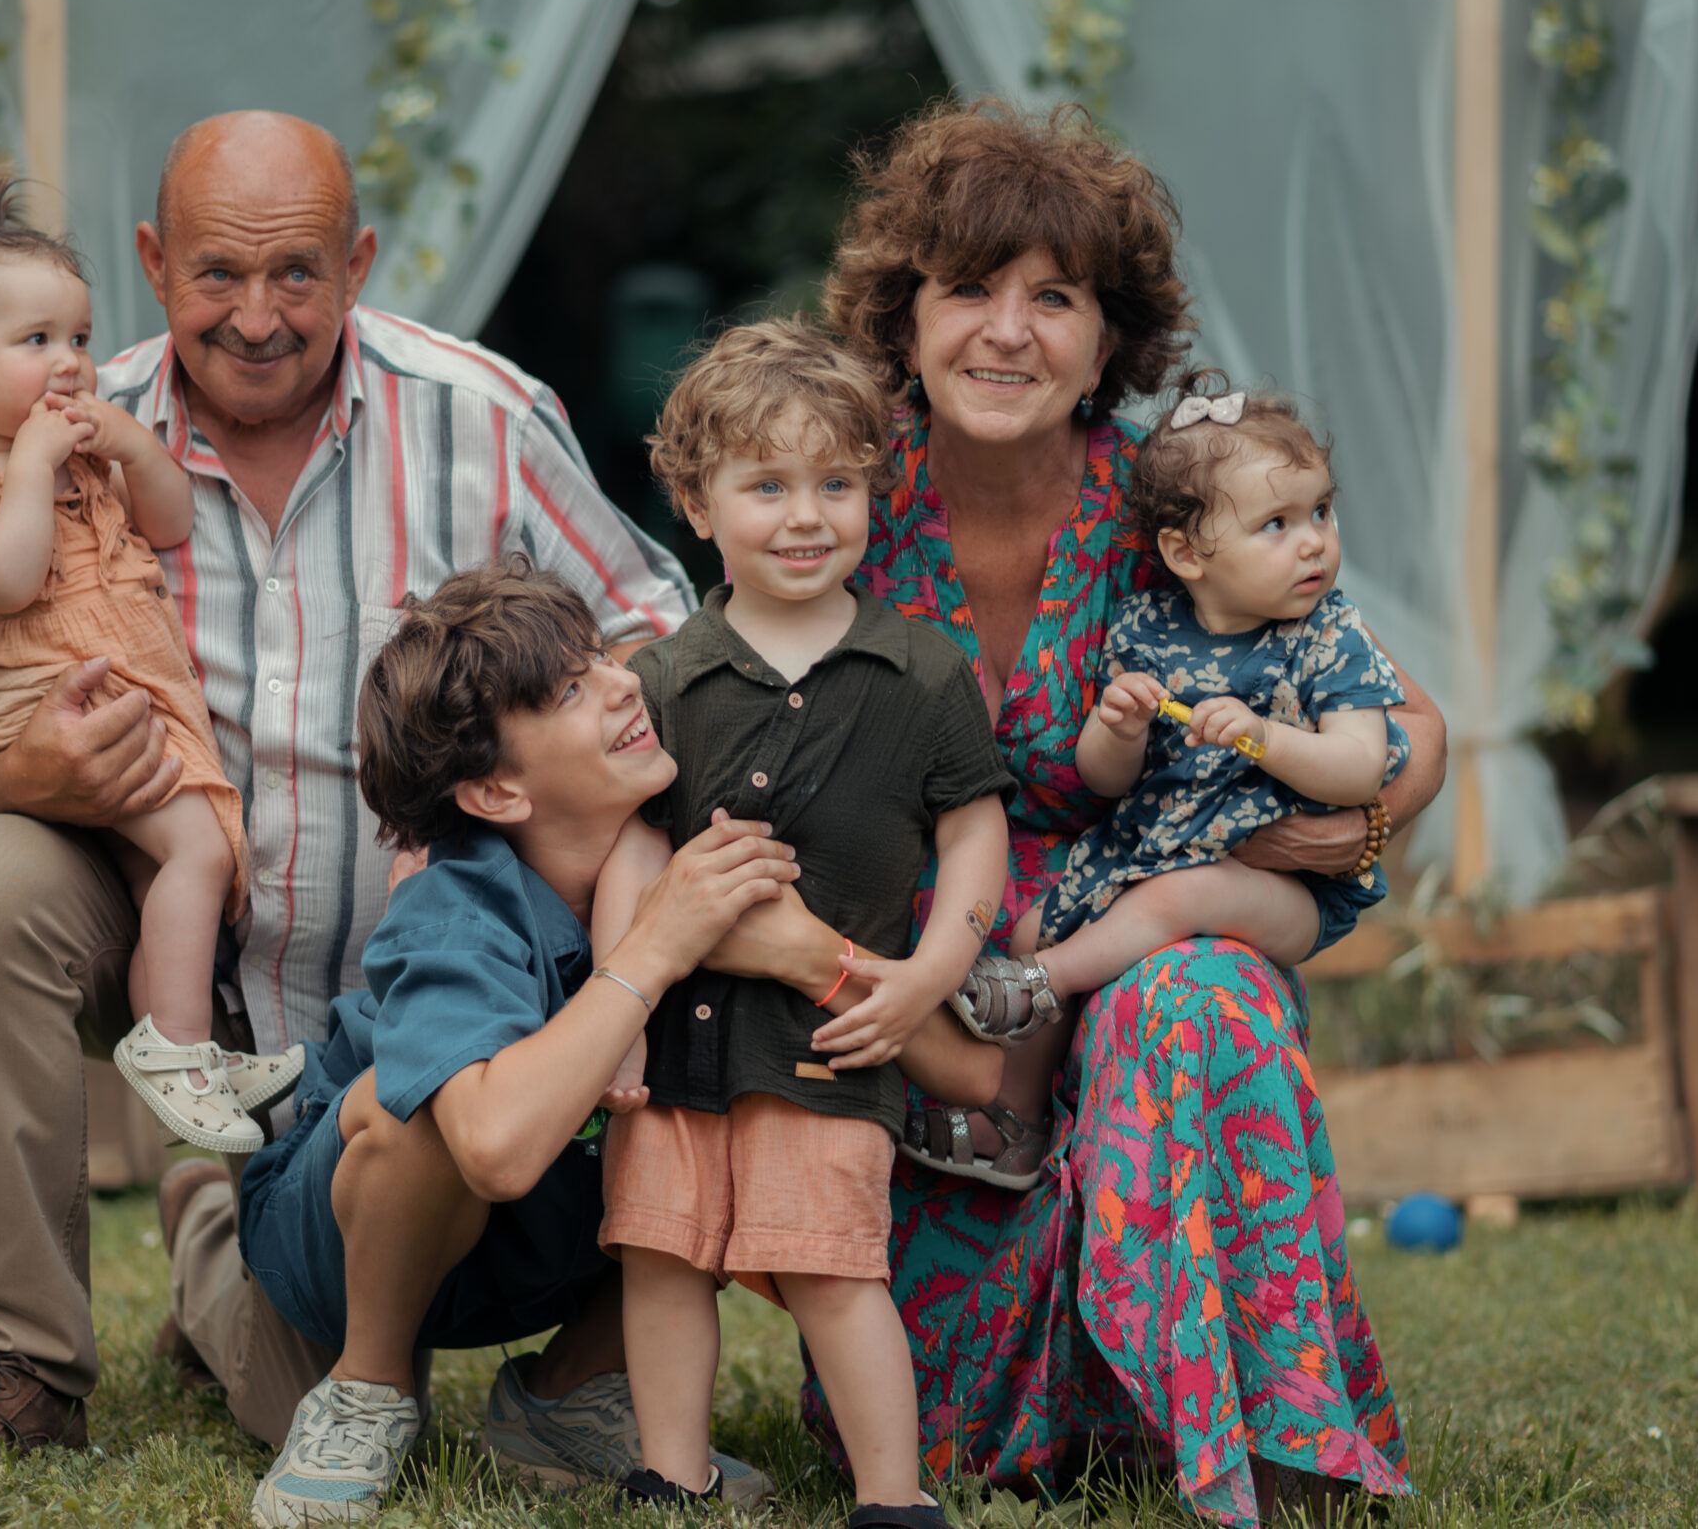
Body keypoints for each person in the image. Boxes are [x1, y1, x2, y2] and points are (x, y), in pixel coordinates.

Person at [0, 111, 700, 1471]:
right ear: (153, 262)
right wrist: (30, 767)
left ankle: (248, 1237)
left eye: (297, 275)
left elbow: (659, 644)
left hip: (449, 980)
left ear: (360, 261)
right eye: (218, 274)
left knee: (294, 1381)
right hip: (180, 960)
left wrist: (566, 841)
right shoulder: (57, 417)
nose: (258, 316)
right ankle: (23, 1355)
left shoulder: (483, 418)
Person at [710, 101, 1448, 1522]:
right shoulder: (833, 493)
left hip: (1127, 933)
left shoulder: (1166, 508)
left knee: (1202, 995)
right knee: (947, 1442)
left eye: (1054, 297)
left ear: (1109, 343)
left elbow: (1408, 730)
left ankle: (1266, 1426)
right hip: (912, 989)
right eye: (970, 287)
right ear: (904, 317)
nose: (1007, 330)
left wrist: (1332, 829)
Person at [236, 559, 985, 1525]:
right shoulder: (454, 910)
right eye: (572, 691)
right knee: (412, 1105)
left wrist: (810, 958)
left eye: (601, 658)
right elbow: (496, 1149)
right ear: (499, 791)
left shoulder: (694, 847)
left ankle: (563, 1393)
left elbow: (972, 1072)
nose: (627, 681)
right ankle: (363, 1383)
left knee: (721, 1109)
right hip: (344, 1256)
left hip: (549, 1249)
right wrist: (654, 950)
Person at [591, 320, 1010, 1523]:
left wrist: (933, 970)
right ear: (697, 503)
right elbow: (636, 843)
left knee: (835, 1265)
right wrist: (620, 1012)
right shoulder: (667, 676)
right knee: (664, 1260)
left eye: (835, 482)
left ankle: (893, 1492)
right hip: (680, 1046)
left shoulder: (921, 672)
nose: (804, 514)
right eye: (765, 485)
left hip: (830, 1048)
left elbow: (973, 829)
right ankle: (671, 1472)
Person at [0, 153, 294, 1156]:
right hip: (52, 712)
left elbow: (172, 521)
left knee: (167, 877)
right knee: (196, 848)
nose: (71, 361)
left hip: (138, 695)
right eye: (36, 340)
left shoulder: (81, 450)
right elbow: (1, 582)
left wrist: (133, 447)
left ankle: (179, 1044)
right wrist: (31, 466)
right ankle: (179, 1043)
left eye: (79, 336)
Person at [968, 379, 1408, 1168]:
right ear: (1185, 553)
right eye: (1276, 524)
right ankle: (1015, 1120)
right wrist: (1118, 727)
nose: (1312, 542)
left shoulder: (1327, 636)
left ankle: (1039, 981)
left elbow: (1359, 765)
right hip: (1148, 850)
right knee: (1043, 919)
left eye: (1320, 512)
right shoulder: (1146, 628)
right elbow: (1104, 782)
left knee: (1179, 898)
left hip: (1282, 890)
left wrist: (1264, 737)